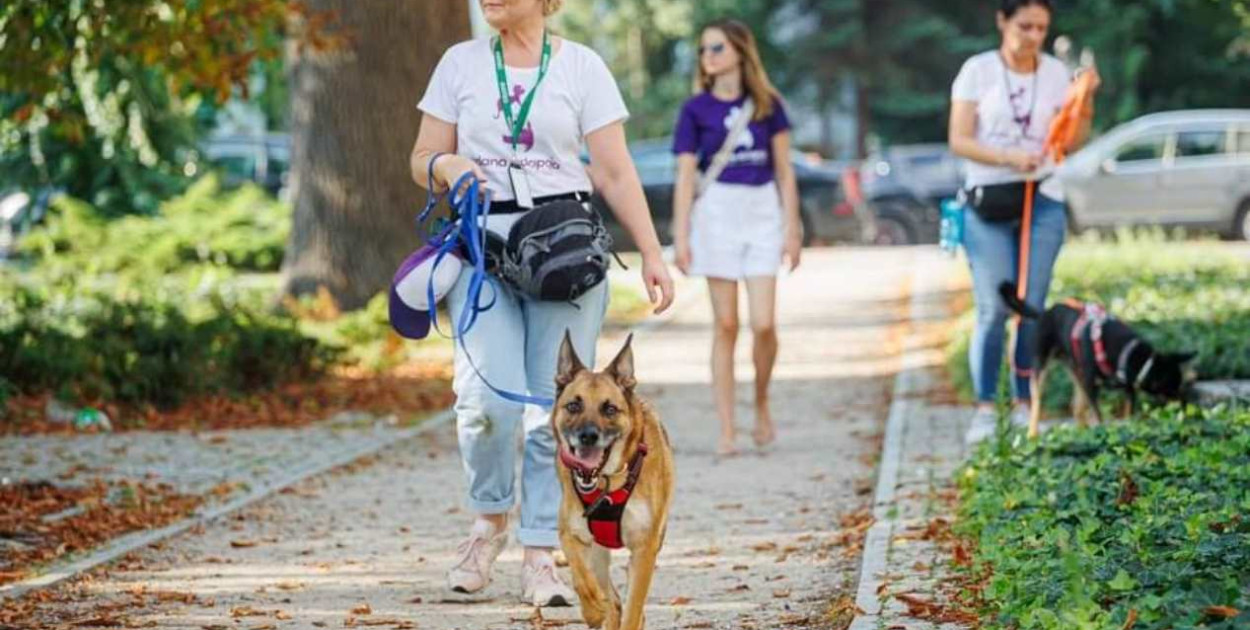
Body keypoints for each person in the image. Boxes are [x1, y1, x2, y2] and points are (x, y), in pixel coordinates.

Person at [409, 0, 675, 606]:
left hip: (565, 259)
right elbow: (419, 158)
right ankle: (487, 523)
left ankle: (540, 554)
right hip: (487, 252)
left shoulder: (582, 67)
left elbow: (614, 170)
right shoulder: (460, 63)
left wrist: (652, 252)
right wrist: (446, 163)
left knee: (551, 410)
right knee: (483, 402)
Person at [948, 0, 1100, 445]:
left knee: (1032, 306)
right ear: (1002, 21)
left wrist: (1084, 100)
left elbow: (1070, 142)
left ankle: (1022, 402)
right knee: (995, 307)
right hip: (989, 200)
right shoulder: (977, 70)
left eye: (1042, 27)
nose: (1033, 36)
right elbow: (959, 139)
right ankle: (984, 407)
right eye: (1025, 25)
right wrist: (1009, 158)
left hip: (1044, 198)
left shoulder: (1055, 72)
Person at [670, 19, 801, 457]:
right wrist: (680, 232)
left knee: (764, 323)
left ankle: (761, 401)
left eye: (717, 47)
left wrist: (792, 227)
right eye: (704, 49)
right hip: (716, 213)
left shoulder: (768, 106)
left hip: (762, 209)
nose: (708, 55)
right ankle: (727, 428)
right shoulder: (694, 110)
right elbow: (686, 175)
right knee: (726, 324)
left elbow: (785, 170)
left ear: (741, 53)